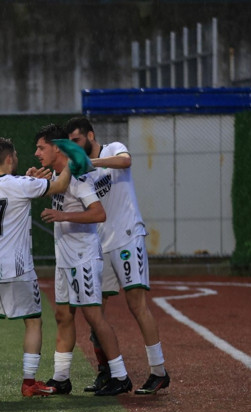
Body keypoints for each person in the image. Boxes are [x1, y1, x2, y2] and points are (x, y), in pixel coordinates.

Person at [65, 116, 169, 394]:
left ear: (90, 135)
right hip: (101, 244)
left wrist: (92, 163)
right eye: (71, 143)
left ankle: (158, 371)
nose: (75, 146)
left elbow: (126, 161)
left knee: (137, 305)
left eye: (77, 140)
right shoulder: (80, 170)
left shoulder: (112, 149)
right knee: (94, 312)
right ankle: (107, 373)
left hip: (127, 237)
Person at [0, 137, 70, 397]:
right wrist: (74, 161)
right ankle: (28, 382)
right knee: (33, 322)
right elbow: (59, 185)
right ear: (9, 158)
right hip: (17, 269)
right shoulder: (22, 185)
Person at [34, 124, 132, 396]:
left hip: (83, 258)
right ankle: (61, 378)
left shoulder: (77, 177)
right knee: (63, 315)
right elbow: (50, 190)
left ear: (57, 148)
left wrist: (64, 217)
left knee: (94, 316)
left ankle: (121, 376)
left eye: (41, 147)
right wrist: (33, 181)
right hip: (65, 258)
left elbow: (98, 213)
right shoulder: (58, 176)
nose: (36, 152)